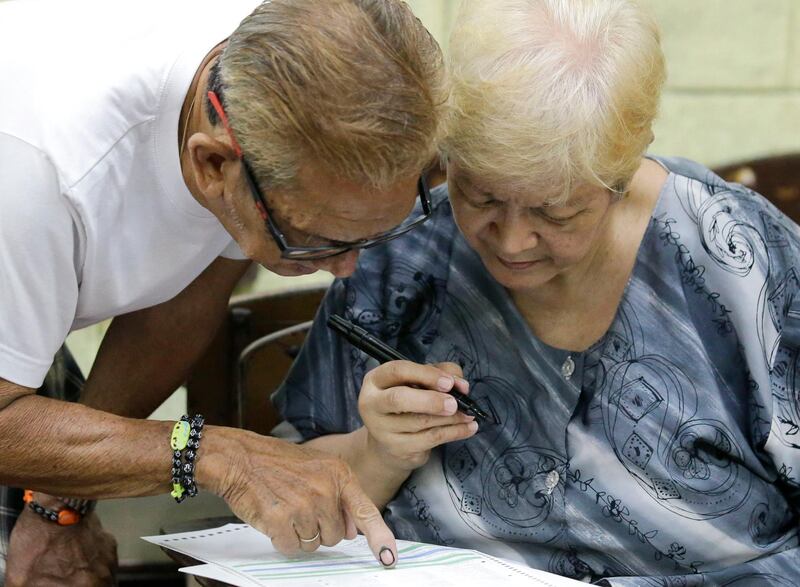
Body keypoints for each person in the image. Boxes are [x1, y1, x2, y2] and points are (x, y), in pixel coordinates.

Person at [274, 0, 800, 584]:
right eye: (482, 197)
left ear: (619, 177)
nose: (513, 241)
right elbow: (289, 482)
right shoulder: (409, 250)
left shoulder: (735, 257)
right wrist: (377, 451)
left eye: (556, 211)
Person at [0, 0, 447, 583]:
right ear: (212, 166)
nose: (345, 270)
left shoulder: (277, 74)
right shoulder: (40, 174)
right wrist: (214, 455)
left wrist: (60, 506)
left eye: (376, 234)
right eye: (317, 241)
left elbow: (187, 294)